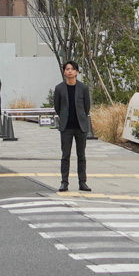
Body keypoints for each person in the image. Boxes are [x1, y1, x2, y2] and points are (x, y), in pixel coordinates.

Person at [54, 60, 92, 192]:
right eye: (67, 69)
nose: (70, 71)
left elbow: (87, 107)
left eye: (72, 69)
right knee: (65, 156)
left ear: (76, 72)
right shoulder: (59, 88)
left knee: (81, 156)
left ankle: (83, 182)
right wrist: (64, 117)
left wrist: (81, 116)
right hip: (66, 127)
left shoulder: (83, 88)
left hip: (80, 127)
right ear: (64, 72)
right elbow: (57, 107)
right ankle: (64, 182)